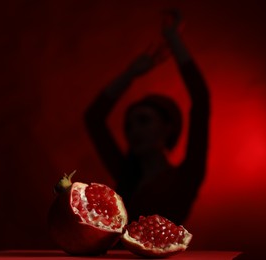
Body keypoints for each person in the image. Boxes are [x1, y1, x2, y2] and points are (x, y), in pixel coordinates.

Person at [84, 11, 210, 225]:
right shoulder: (127, 175)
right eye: (129, 125)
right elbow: (94, 119)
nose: (134, 131)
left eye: (144, 121)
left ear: (168, 126)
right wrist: (130, 74)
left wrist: (173, 38)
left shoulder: (186, 177)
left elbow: (201, 100)